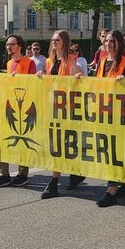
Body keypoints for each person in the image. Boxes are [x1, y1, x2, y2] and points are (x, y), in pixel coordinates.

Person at [91, 29, 125, 207]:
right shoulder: (102, 62)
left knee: (114, 150)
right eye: (107, 41)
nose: (108, 44)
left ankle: (111, 189)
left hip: (120, 115)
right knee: (107, 148)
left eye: (112, 41)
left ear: (119, 44)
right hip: (104, 113)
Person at [40, 30, 86, 199]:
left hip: (67, 108)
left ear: (64, 42)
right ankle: (77, 172)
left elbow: (78, 77)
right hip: (54, 107)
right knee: (60, 143)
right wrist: (41, 77)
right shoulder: (49, 61)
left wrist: (78, 76)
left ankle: (54, 182)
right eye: (53, 40)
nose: (54, 42)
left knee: (61, 144)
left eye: (57, 40)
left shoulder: (71, 61)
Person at [0, 35, 36, 188]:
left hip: (25, 106)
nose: (9, 47)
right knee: (5, 139)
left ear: (20, 46)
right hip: (10, 104)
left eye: (12, 44)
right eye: (7, 44)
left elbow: (33, 84)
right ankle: (4, 174)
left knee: (22, 140)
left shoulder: (29, 63)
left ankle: (22, 173)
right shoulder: (9, 63)